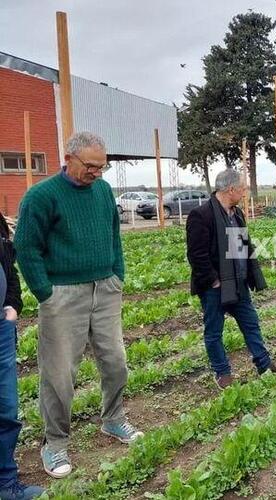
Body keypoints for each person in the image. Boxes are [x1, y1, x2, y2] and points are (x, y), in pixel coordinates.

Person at [14, 132, 143, 480]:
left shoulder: (102, 191)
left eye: (102, 167)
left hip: (105, 289)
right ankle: (54, 442)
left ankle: (113, 420)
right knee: (59, 375)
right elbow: (25, 247)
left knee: (116, 362)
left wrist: (117, 274)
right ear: (68, 158)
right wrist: (45, 293)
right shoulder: (42, 197)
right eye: (90, 166)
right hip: (63, 294)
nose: (96, 173)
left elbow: (114, 232)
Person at [186, 168, 276, 390]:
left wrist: (249, 273)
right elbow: (196, 255)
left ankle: (264, 364)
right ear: (231, 190)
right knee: (214, 331)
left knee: (251, 323)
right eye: (243, 188)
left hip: (238, 282)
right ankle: (222, 373)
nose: (245, 192)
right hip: (214, 287)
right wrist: (214, 281)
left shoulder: (236, 214)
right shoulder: (202, 215)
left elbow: (242, 246)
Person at [0, 212, 43, 500]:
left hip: (1, 328)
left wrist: (13, 304)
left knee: (6, 408)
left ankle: (6, 482)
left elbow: (9, 263)